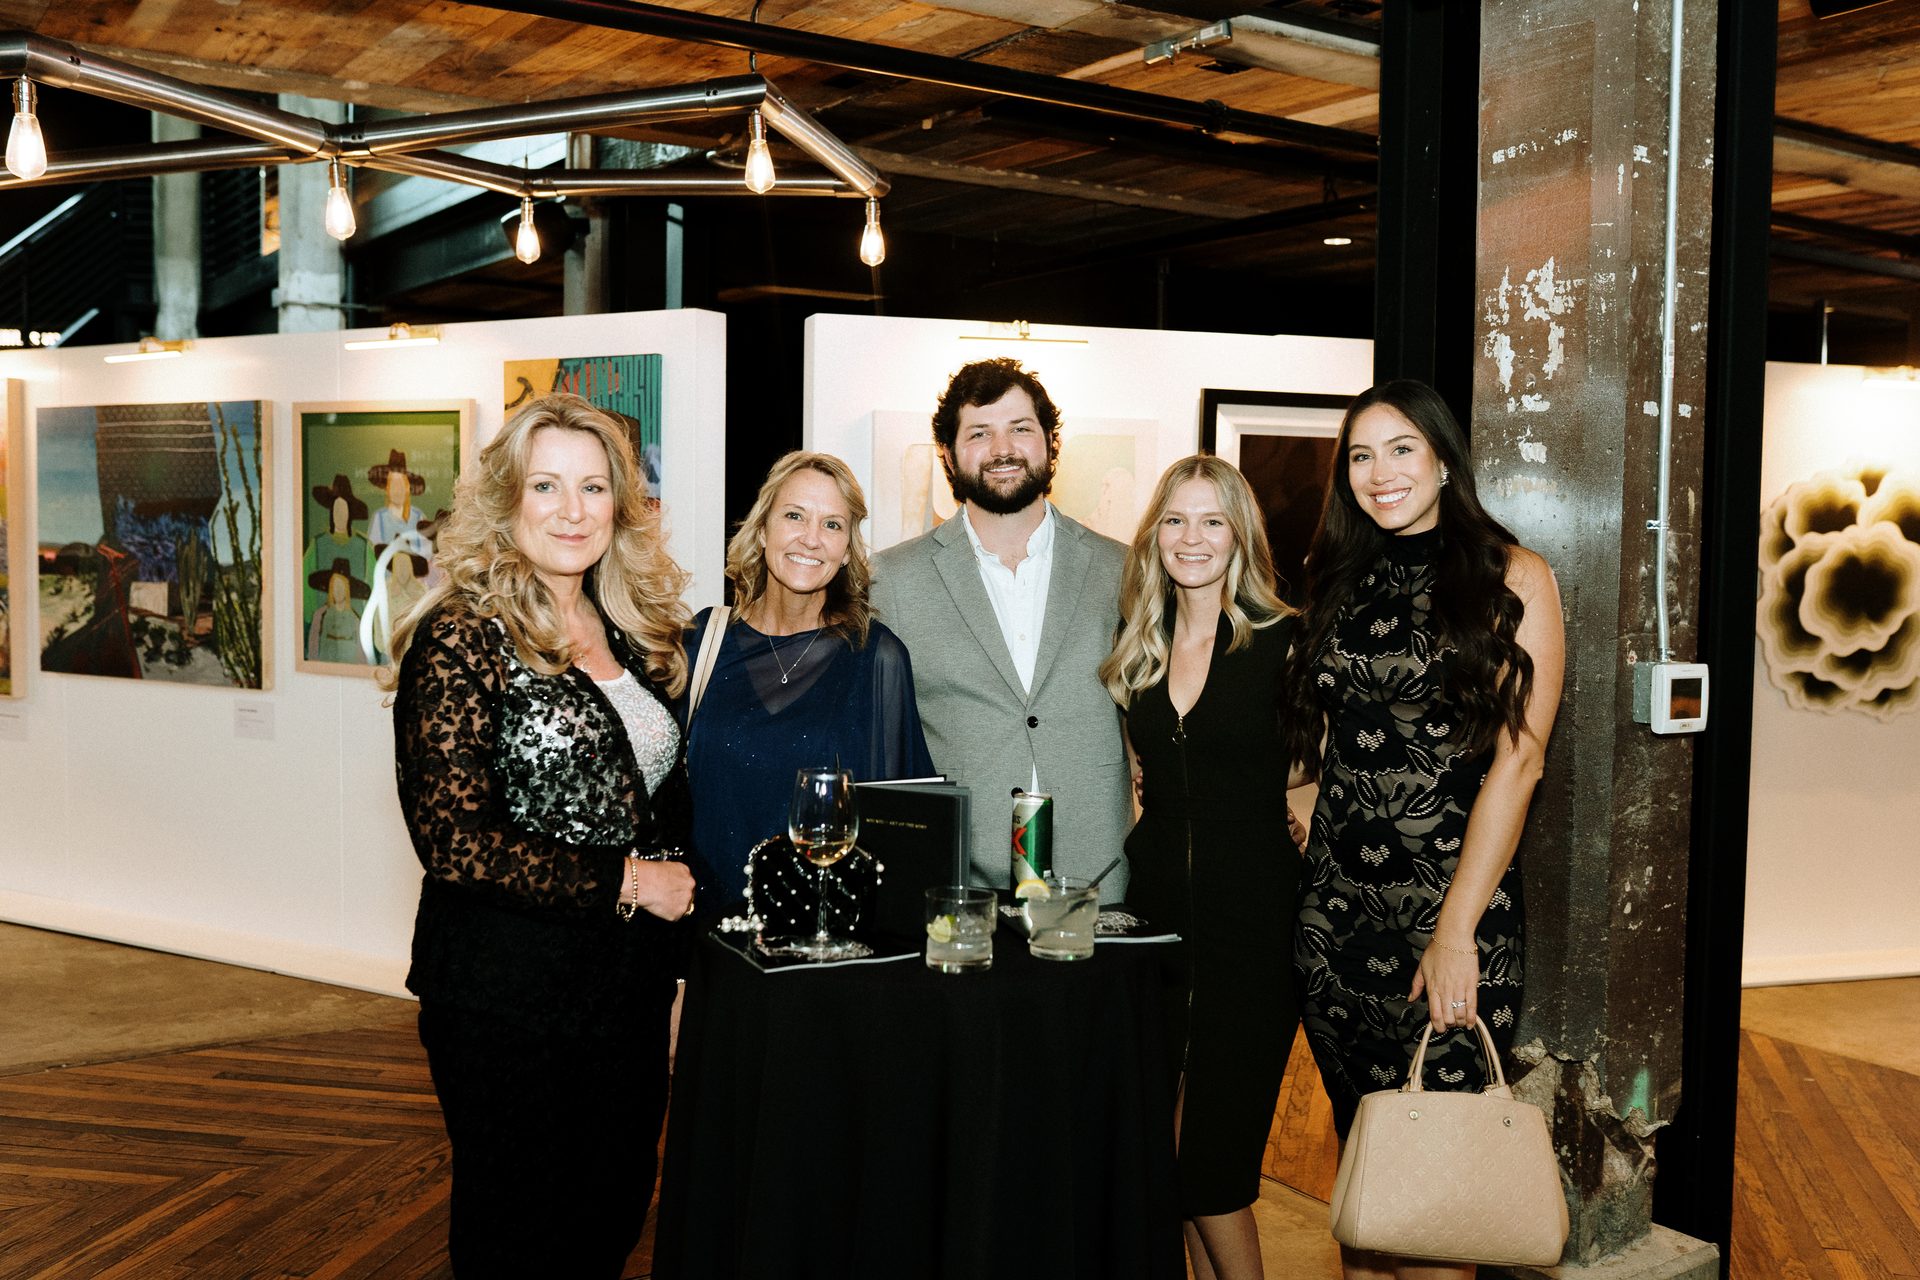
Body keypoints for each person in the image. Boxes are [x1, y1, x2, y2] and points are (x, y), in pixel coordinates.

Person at [385, 394, 697, 1279]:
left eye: (593, 487)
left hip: (625, 993)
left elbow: (658, 798)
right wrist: (628, 882)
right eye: (546, 485)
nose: (572, 510)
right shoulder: (461, 637)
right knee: (519, 1236)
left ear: (620, 505)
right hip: (505, 996)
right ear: (507, 499)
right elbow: (455, 841)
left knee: (611, 1214)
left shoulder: (631, 628)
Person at [1285, 380, 1565, 1280]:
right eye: (1361, 456)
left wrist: (1454, 933)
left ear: (1444, 459)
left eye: (1401, 449)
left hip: (1450, 918)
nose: (1380, 473)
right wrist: (1304, 793)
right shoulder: (1337, 575)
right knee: (1372, 1184)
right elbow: (1315, 722)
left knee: (1441, 1208)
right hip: (1335, 925)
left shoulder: (1513, 576)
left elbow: (1520, 763)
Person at [1101, 455, 1298, 1280]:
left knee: (1211, 1167)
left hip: (1253, 931)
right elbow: (1137, 781)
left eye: (1212, 521)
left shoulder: (1286, 643)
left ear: (1240, 535)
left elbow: (1323, 776)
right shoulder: (1137, 645)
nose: (1193, 538)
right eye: (1176, 520)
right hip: (1155, 928)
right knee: (1168, 1159)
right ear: (1155, 536)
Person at [871, 357, 1131, 897]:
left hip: (1098, 878)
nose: (1002, 449)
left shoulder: (1123, 570)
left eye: (1020, 429)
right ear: (948, 454)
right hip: (958, 885)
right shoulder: (890, 580)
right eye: (979, 433)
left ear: (1051, 443)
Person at [683, 450, 934, 911]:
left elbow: (900, 831)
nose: (812, 539)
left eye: (832, 525)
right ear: (763, 529)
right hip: (703, 929)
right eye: (794, 516)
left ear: (847, 551)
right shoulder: (703, 641)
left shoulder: (877, 657)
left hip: (820, 935)